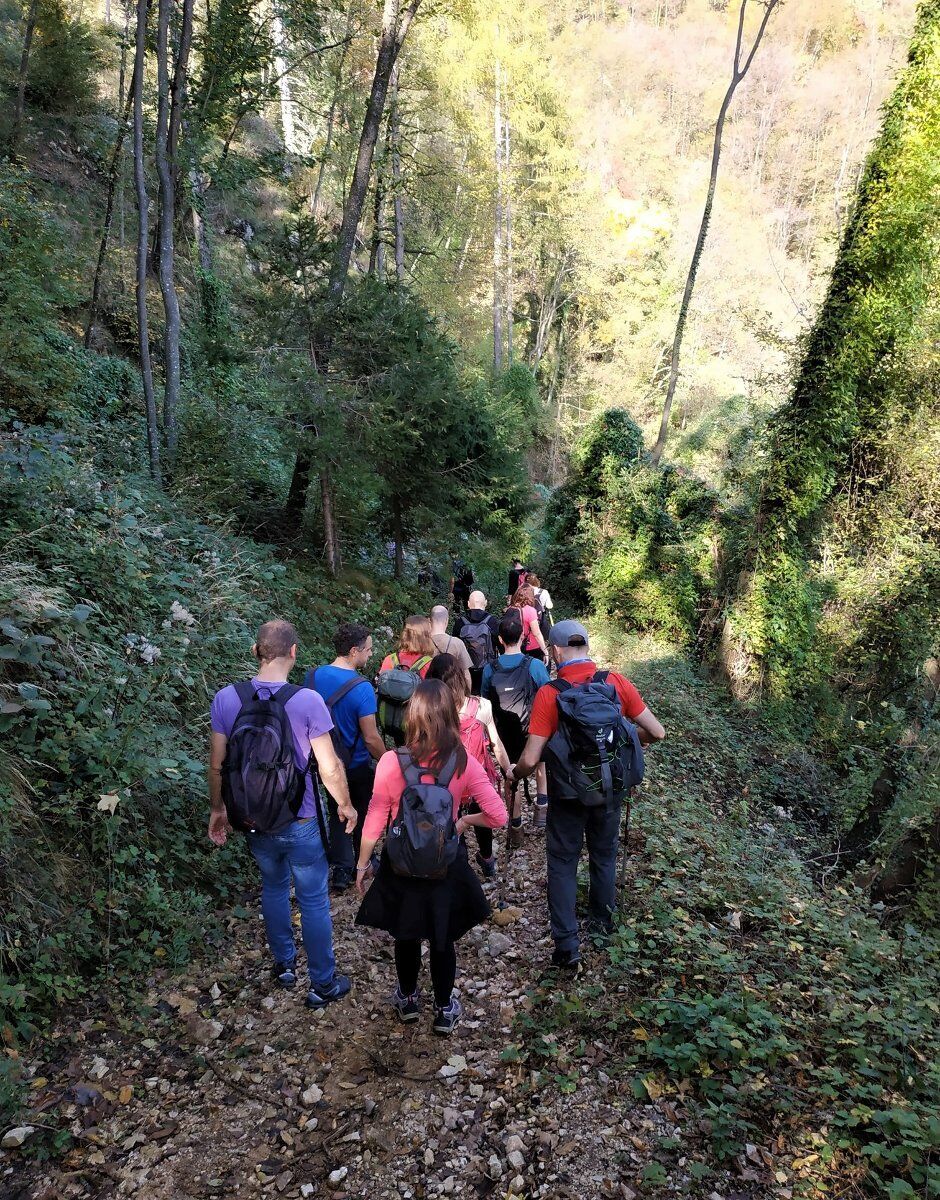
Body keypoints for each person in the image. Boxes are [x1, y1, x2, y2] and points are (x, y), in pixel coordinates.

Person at [208, 620, 356, 1009]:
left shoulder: (226, 698)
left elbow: (216, 765)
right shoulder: (307, 702)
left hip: (252, 818)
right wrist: (345, 804)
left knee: (272, 887)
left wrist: (217, 809)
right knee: (312, 900)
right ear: (294, 653)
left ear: (256, 652)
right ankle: (322, 983)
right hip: (300, 819)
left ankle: (285, 966)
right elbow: (329, 767)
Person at [508, 620, 665, 971]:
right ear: (587, 647)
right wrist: (621, 741)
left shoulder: (551, 693)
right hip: (609, 790)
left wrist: (514, 773)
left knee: (563, 864)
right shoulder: (615, 683)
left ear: (556, 651)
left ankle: (567, 946)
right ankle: (602, 928)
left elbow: (531, 759)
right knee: (604, 857)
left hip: (566, 797)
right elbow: (657, 731)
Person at [354, 680, 508, 1035]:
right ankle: (443, 1009)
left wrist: (363, 864)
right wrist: (465, 820)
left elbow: (376, 815)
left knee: (405, 933)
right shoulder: (462, 762)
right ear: (449, 716)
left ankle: (407, 1000)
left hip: (400, 863)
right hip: (444, 864)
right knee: (443, 938)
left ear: (413, 714)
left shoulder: (392, 761)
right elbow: (498, 815)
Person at [307, 623, 387, 893]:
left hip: (324, 762)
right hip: (356, 764)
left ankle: (341, 869)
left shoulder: (312, 678)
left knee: (337, 809)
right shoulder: (362, 688)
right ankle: (364, 862)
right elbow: (371, 737)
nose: (370, 654)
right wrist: (389, 760)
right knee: (363, 811)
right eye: (368, 649)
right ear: (354, 651)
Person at [427, 653, 511, 879]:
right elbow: (495, 743)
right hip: (476, 779)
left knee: (450, 824)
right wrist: (507, 769)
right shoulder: (482, 706)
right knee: (482, 818)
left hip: (444, 782)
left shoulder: (430, 712)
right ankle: (487, 860)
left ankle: (456, 865)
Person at [481, 609, 551, 839]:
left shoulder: (490, 669)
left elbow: (485, 699)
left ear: (499, 640)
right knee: (540, 764)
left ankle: (516, 825)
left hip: (504, 732)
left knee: (511, 775)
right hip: (532, 728)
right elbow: (549, 694)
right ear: (523, 637)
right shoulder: (535, 665)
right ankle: (542, 809)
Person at [376, 615, 436, 747]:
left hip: (391, 722)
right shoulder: (428, 664)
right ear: (426, 636)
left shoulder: (390, 660)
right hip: (416, 724)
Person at [453, 590, 500, 695]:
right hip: (488, 669)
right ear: (486, 603)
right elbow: (500, 645)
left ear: (468, 604)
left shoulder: (460, 622)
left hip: (466, 670)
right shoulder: (491, 622)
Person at [430, 604, 473, 673]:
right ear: (447, 620)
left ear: (429, 620)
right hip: (449, 683)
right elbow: (466, 674)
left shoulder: (421, 642)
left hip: (426, 683)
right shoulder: (457, 643)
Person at [511, 584, 549, 662]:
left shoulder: (510, 609)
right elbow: (537, 633)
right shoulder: (530, 611)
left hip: (516, 646)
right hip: (531, 646)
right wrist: (545, 652)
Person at [528, 573, 554, 643]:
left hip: (527, 618)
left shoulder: (525, 592)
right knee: (545, 636)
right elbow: (549, 606)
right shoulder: (544, 592)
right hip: (540, 618)